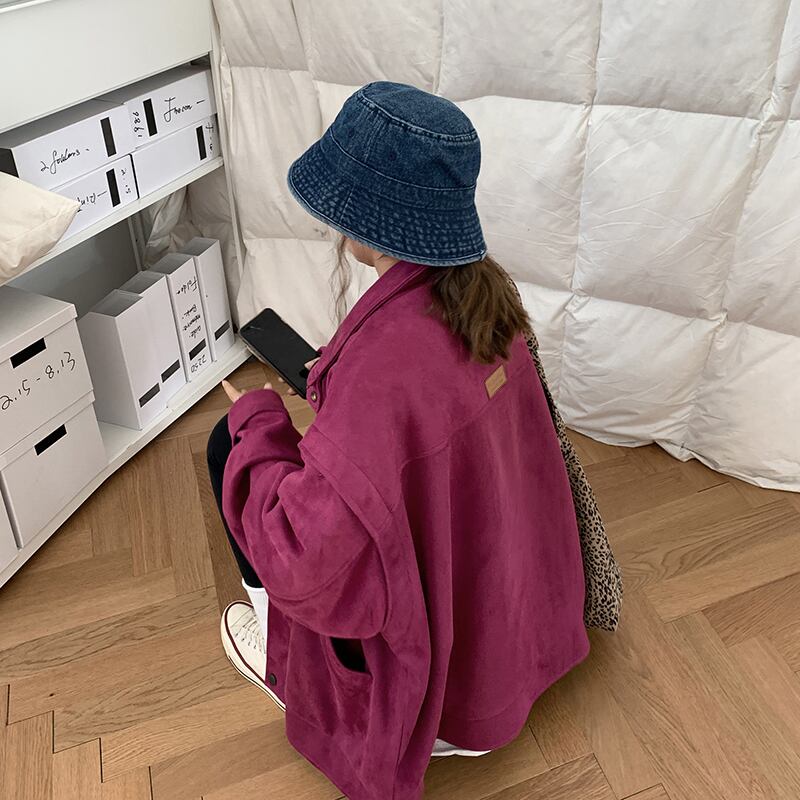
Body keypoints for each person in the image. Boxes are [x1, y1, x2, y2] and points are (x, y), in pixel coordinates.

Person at [207, 81, 589, 800]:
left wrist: (259, 419)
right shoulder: (487, 297)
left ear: (371, 216)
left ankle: (279, 658)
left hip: (432, 707)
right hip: (507, 639)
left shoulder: (383, 371)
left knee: (230, 448)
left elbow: (304, 560)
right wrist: (336, 396)